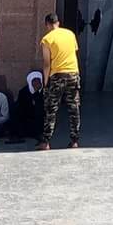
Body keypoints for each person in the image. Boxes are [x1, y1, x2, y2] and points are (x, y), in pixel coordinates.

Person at [37, 13, 81, 150]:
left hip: (57, 76)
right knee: (74, 108)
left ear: (47, 25)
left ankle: (46, 141)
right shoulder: (70, 34)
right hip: (73, 74)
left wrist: (45, 82)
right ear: (58, 22)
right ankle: (74, 141)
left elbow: (46, 63)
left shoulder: (47, 39)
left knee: (51, 109)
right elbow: (74, 52)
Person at [6, 70, 44, 143]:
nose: (36, 83)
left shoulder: (45, 91)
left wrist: (36, 95)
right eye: (34, 81)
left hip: (39, 119)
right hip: (26, 118)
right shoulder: (23, 92)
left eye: (38, 81)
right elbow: (21, 107)